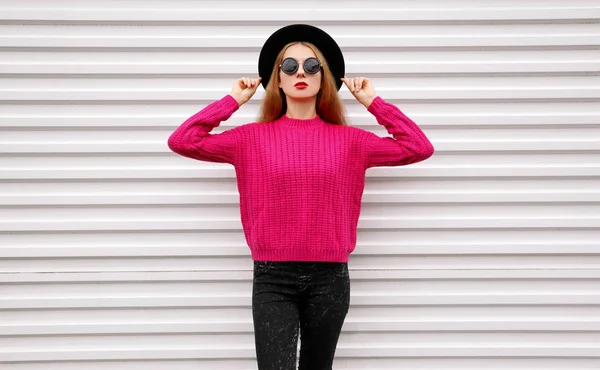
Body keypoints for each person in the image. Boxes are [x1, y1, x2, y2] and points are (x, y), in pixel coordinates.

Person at [167, 24, 434, 370]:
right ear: (276, 79)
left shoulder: (351, 141)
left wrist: (372, 101)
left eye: (311, 67)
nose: (300, 74)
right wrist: (232, 100)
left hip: (330, 279)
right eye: (289, 67)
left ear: (326, 78)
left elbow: (418, 147)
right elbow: (183, 140)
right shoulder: (250, 139)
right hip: (272, 277)